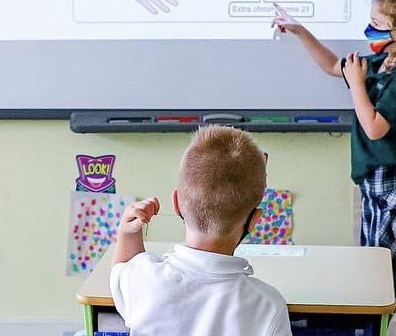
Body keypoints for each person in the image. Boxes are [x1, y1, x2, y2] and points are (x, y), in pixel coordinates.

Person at [272, 0, 396, 336]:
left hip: (393, 180)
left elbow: (375, 127)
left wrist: (355, 84)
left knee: (387, 262)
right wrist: (300, 31)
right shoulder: (380, 63)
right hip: (375, 178)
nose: (369, 30)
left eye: (377, 25)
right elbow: (333, 65)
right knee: (394, 261)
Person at [109, 125, 292, 336]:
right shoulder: (268, 306)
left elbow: (120, 269)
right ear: (254, 221)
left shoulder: (145, 278)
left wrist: (128, 231)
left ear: (176, 202)